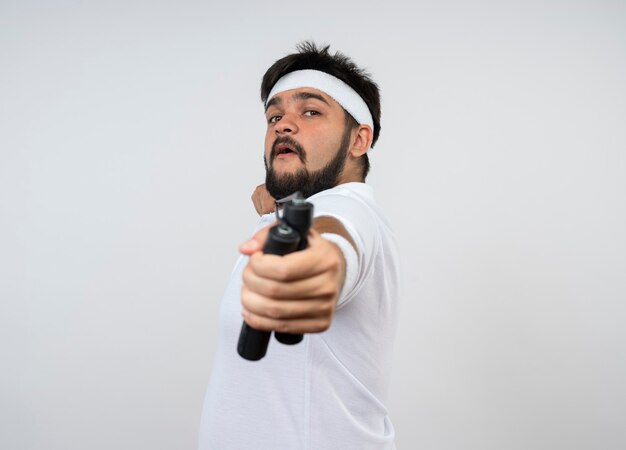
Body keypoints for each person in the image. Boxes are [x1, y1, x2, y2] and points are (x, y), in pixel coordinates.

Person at [198, 42, 400, 450]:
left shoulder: (348, 210)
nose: (283, 125)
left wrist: (320, 264)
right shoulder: (291, 212)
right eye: (274, 115)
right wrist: (276, 208)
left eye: (311, 111)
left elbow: (336, 238)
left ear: (359, 140)